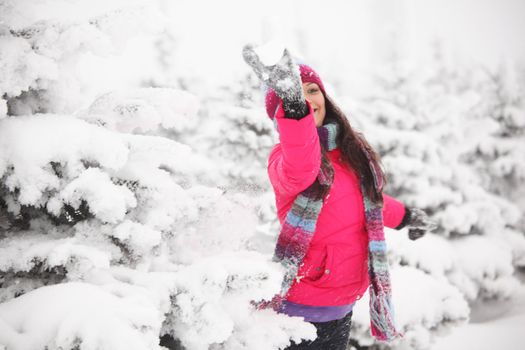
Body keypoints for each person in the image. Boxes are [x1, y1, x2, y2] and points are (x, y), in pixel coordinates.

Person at [242, 45, 437, 350]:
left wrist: (406, 216)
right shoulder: (285, 157)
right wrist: (295, 111)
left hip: (341, 307)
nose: (307, 98)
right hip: (299, 312)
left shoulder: (348, 154)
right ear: (281, 109)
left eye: (312, 89)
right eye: (296, 93)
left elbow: (369, 203)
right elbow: (301, 165)